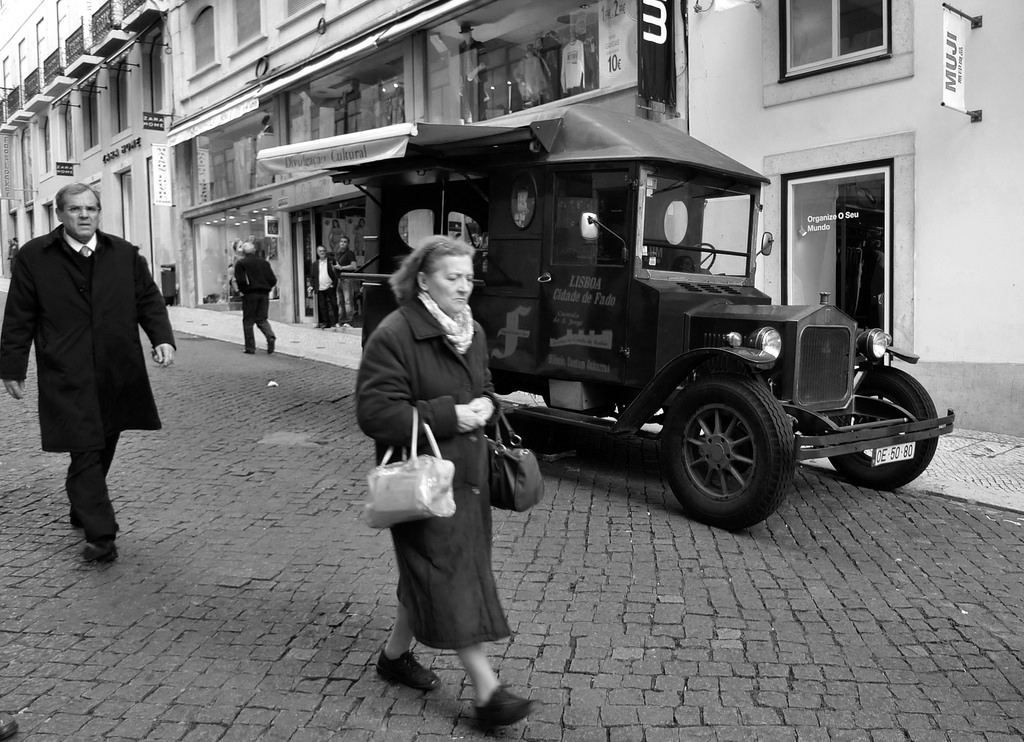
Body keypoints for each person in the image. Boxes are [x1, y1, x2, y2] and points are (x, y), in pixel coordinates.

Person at [356, 235, 538, 729]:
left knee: (431, 573)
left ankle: (394, 658)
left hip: (470, 481)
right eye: (451, 277)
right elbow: (374, 413)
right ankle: (487, 692)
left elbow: (480, 385)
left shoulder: (471, 329)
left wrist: (488, 405)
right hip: (424, 484)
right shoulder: (393, 334)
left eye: (469, 277)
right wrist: (450, 416)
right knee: (447, 575)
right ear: (423, 281)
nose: (464, 287)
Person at [0, 183, 175, 563]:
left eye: (91, 209)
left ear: (99, 213)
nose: (84, 215)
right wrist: (12, 367)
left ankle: (82, 503)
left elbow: (148, 298)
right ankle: (102, 536)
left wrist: (162, 338)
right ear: (59, 214)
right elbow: (18, 317)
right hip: (66, 370)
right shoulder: (34, 257)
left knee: (105, 439)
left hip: (118, 367)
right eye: (76, 209)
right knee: (86, 446)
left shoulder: (124, 254)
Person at [234, 241, 277, 354]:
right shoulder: (264, 263)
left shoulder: (241, 263)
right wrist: (267, 287)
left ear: (243, 252)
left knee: (248, 321)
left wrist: (243, 290)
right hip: (264, 294)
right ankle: (270, 335)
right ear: (254, 251)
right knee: (262, 319)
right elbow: (273, 280)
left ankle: (250, 347)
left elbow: (241, 280)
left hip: (250, 294)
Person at [309, 244, 338, 328]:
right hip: (320, 288)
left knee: (334, 304)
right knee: (323, 306)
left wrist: (333, 284)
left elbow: (336, 274)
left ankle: (336, 322)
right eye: (320, 251)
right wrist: (312, 286)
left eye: (324, 251)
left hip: (330, 286)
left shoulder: (331, 261)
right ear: (318, 253)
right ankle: (326, 323)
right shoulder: (315, 264)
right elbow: (312, 276)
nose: (322, 252)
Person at [333, 235, 358, 324]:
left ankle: (349, 321)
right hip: (339, 280)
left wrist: (341, 268)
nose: (342, 243)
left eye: (345, 242)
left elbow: (354, 266)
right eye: (341, 241)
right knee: (340, 302)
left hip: (347, 280)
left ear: (348, 244)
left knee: (348, 301)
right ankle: (341, 320)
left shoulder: (349, 253)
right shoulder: (338, 253)